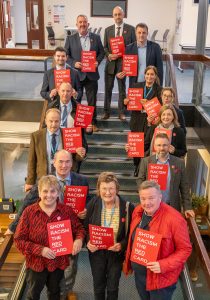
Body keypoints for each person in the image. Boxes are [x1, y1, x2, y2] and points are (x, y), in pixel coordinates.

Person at [6, 150, 90, 299]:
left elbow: (79, 228)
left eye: (52, 192)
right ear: (38, 192)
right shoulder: (29, 213)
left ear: (58, 193)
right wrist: (40, 250)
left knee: (55, 293)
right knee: (33, 294)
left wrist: (78, 239)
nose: (49, 195)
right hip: (36, 263)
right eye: (45, 192)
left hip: (58, 262)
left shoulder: (66, 211)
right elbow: (19, 240)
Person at [123, 180, 192, 300]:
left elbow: (185, 249)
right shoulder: (138, 211)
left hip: (161, 279)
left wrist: (163, 265)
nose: (147, 202)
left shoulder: (175, 219)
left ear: (160, 197)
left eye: (151, 198)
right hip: (140, 275)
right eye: (143, 198)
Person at [85, 172, 134, 300]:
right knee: (98, 286)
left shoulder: (127, 207)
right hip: (97, 253)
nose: (107, 192)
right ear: (99, 189)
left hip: (116, 254)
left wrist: (122, 245)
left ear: (116, 189)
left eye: (111, 188)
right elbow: (84, 226)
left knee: (113, 287)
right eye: (104, 189)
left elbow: (131, 233)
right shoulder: (93, 203)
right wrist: (88, 241)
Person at [25, 108, 86, 192]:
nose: (53, 124)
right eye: (51, 121)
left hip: (64, 179)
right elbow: (32, 161)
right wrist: (29, 182)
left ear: (60, 121)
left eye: (56, 121)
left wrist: (80, 153)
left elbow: (76, 158)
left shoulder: (69, 134)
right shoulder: (36, 136)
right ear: (45, 121)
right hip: (44, 178)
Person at [137, 133, 195, 218]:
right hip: (151, 207)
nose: (161, 148)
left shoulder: (179, 163)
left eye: (165, 145)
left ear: (169, 146)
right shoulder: (146, 161)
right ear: (154, 146)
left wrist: (188, 207)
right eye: (159, 145)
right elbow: (140, 180)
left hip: (172, 207)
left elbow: (184, 187)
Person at [65, 14, 105, 131]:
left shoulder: (96, 37)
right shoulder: (71, 39)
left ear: (88, 24)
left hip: (91, 75)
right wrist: (73, 63)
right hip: (77, 75)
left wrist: (97, 61)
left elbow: (101, 53)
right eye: (80, 22)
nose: (82, 24)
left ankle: (92, 123)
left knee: (92, 101)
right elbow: (66, 55)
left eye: (84, 22)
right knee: (76, 100)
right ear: (77, 24)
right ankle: (77, 123)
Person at [124, 65, 162, 176]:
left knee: (146, 145)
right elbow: (129, 103)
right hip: (136, 120)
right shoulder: (136, 86)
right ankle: (136, 166)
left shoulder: (159, 90)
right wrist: (125, 102)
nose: (149, 77)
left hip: (150, 121)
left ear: (155, 76)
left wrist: (148, 104)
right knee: (136, 146)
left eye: (152, 74)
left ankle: (143, 168)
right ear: (144, 75)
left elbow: (160, 108)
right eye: (148, 74)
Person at [102, 6, 136, 120]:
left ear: (123, 15)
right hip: (110, 64)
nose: (117, 16)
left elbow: (133, 48)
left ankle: (121, 112)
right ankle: (106, 112)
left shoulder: (131, 29)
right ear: (113, 16)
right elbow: (105, 47)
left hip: (123, 64)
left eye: (119, 14)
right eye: (115, 14)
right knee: (108, 88)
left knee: (122, 89)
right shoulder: (108, 30)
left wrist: (125, 57)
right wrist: (108, 55)